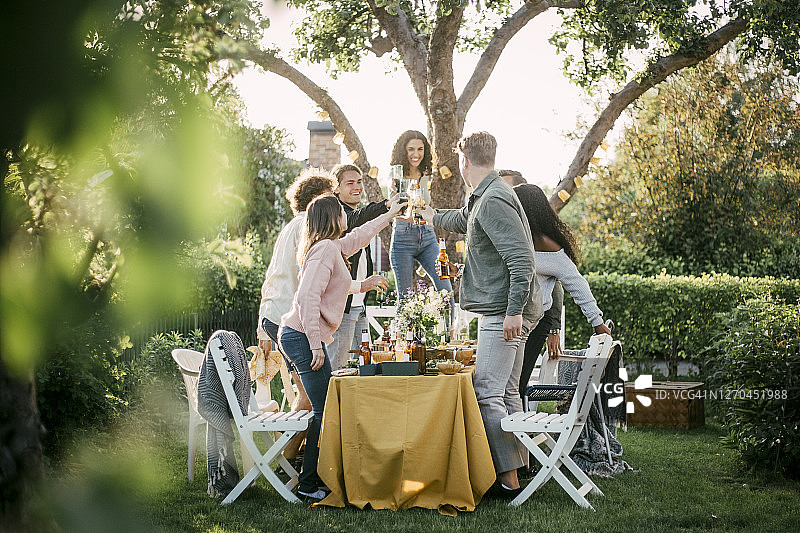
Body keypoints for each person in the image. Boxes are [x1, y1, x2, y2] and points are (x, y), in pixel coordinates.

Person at [419, 131, 542, 498]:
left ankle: (507, 481)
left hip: (504, 312)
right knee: (505, 391)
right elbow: (463, 218)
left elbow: (522, 260)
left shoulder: (493, 200)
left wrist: (513, 312)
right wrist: (430, 215)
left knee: (486, 391)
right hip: (509, 309)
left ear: (463, 161)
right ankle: (519, 471)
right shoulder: (487, 194)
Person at [279, 194, 406, 500]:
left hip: (302, 335)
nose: (346, 217)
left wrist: (389, 216)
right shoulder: (324, 250)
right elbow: (307, 298)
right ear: (331, 218)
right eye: (341, 213)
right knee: (324, 411)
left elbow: (360, 237)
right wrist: (316, 345)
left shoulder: (331, 247)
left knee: (325, 409)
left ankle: (314, 477)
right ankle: (308, 485)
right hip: (301, 337)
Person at [257, 167, 334, 454]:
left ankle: (289, 449)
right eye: (329, 198)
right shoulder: (306, 228)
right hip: (288, 319)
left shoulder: (291, 226)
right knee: (311, 395)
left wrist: (261, 324)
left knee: (305, 391)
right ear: (315, 199)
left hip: (274, 314)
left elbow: (272, 278)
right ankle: (287, 456)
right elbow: (313, 280)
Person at [513, 183, 612, 401]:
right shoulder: (515, 239)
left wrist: (597, 321)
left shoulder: (550, 248)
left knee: (517, 381)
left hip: (535, 323)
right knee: (504, 382)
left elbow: (577, 284)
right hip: (511, 318)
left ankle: (514, 429)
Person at [327, 163, 397, 370]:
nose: (357, 187)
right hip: (344, 307)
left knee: (365, 366)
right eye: (350, 183)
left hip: (359, 304)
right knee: (337, 368)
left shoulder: (353, 214)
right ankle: (327, 403)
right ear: (336, 188)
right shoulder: (337, 216)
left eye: (359, 182)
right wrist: (386, 205)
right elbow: (356, 219)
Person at [388, 130, 453, 305]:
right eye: (411, 149)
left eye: (420, 149)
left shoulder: (426, 174)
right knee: (406, 300)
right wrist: (394, 194)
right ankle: (405, 333)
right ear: (403, 150)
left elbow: (424, 204)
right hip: (403, 237)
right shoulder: (395, 175)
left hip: (427, 235)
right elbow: (392, 207)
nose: (416, 154)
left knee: (447, 293)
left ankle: (447, 332)